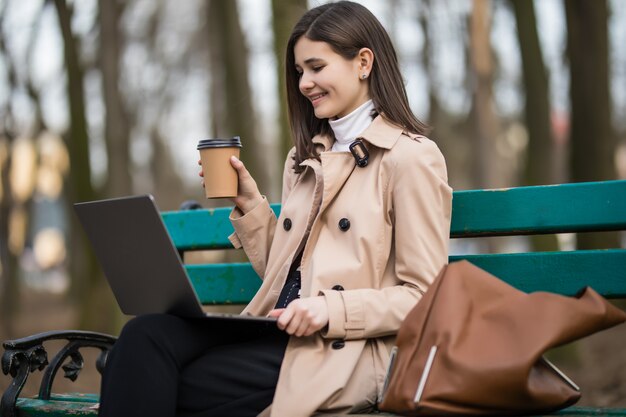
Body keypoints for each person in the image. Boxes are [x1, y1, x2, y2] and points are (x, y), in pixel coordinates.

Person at [98, 2, 452, 416]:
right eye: (300, 71)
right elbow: (286, 275)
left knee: (158, 381)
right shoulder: (304, 158)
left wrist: (329, 309)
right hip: (273, 328)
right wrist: (251, 208)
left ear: (363, 62)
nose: (304, 83)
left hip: (340, 350)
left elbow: (423, 297)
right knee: (144, 335)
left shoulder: (410, 158)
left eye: (316, 67)